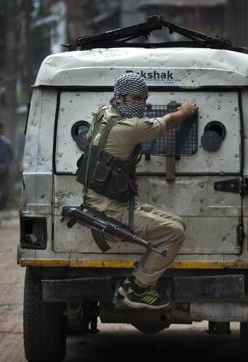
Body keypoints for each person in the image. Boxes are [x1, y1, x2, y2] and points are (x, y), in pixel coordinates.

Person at [76, 73, 197, 310]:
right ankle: (138, 287)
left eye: (144, 99)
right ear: (119, 97)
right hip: (110, 209)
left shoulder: (103, 113)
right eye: (136, 98)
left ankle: (138, 281)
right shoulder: (128, 127)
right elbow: (167, 122)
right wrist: (185, 111)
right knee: (175, 233)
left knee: (178, 223)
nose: (141, 103)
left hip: (105, 201)